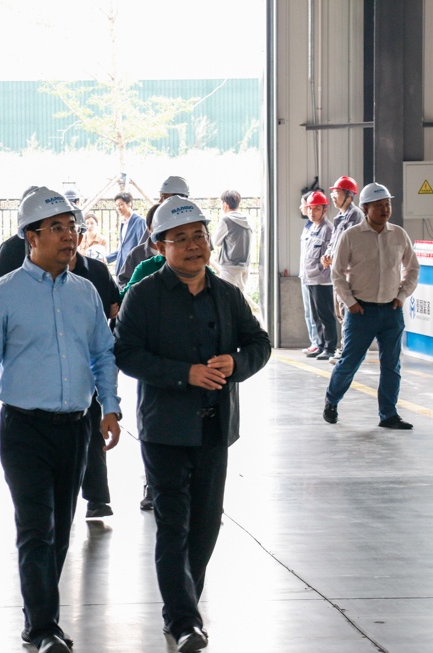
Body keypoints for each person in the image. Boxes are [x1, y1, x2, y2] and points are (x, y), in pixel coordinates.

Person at [114, 196, 271, 653]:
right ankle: (183, 620)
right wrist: (185, 373)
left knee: (206, 525)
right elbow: (127, 354)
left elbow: (259, 342)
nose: (193, 246)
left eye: (198, 236)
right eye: (179, 239)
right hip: (166, 429)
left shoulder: (226, 294)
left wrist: (236, 363)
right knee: (173, 524)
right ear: (160, 247)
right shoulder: (144, 296)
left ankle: (186, 607)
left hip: (214, 429)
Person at [0, 187, 121, 653]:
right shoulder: (3, 294)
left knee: (60, 530)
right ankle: (42, 628)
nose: (69, 236)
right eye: (56, 228)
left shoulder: (86, 293)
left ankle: (40, 615)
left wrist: (109, 407)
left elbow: (103, 354)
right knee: (36, 528)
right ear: (31, 237)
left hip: (76, 427)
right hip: (24, 429)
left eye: (72, 227)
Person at [323, 183, 419, 429]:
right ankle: (332, 401)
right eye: (379, 205)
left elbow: (412, 268)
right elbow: (337, 273)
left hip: (391, 311)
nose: (385, 209)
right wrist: (350, 302)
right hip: (361, 312)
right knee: (350, 362)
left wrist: (402, 295)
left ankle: (388, 415)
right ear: (365, 208)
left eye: (387, 204)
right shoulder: (351, 236)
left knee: (391, 365)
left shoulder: (399, 235)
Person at [68, 216, 121, 519]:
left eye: (74, 231)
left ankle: (97, 498)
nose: (69, 237)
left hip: (90, 364)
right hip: (53, 368)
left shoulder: (98, 271)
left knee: (93, 428)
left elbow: (114, 306)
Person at [321, 176, 364, 363]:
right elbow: (334, 242)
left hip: (349, 274)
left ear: (349, 195)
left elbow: (352, 244)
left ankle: (347, 352)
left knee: (347, 312)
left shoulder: (355, 216)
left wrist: (337, 257)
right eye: (333, 193)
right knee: (340, 312)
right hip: (338, 272)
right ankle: (346, 349)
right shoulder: (339, 217)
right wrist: (327, 255)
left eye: (337, 193)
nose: (333, 196)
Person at [299, 191, 336, 361]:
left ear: (324, 210)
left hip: (322, 280)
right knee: (315, 316)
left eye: (317, 209)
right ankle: (320, 345)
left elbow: (330, 253)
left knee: (325, 315)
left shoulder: (327, 229)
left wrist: (321, 268)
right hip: (309, 278)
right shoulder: (310, 228)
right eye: (310, 208)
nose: (312, 212)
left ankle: (330, 348)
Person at [211, 190, 252, 293]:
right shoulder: (248, 219)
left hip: (230, 267)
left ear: (225, 204)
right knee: (240, 297)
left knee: (227, 297)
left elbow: (215, 242)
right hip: (245, 266)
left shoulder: (226, 220)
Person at [118, 203, 161, 286]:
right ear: (149, 227)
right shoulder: (136, 254)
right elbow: (123, 281)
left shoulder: (177, 252)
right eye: (157, 224)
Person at [106, 191, 146, 278]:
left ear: (129, 204)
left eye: (121, 204)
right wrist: (107, 259)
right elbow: (122, 248)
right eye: (117, 205)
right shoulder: (123, 223)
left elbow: (143, 247)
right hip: (121, 269)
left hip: (133, 270)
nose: (118, 208)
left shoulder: (139, 222)